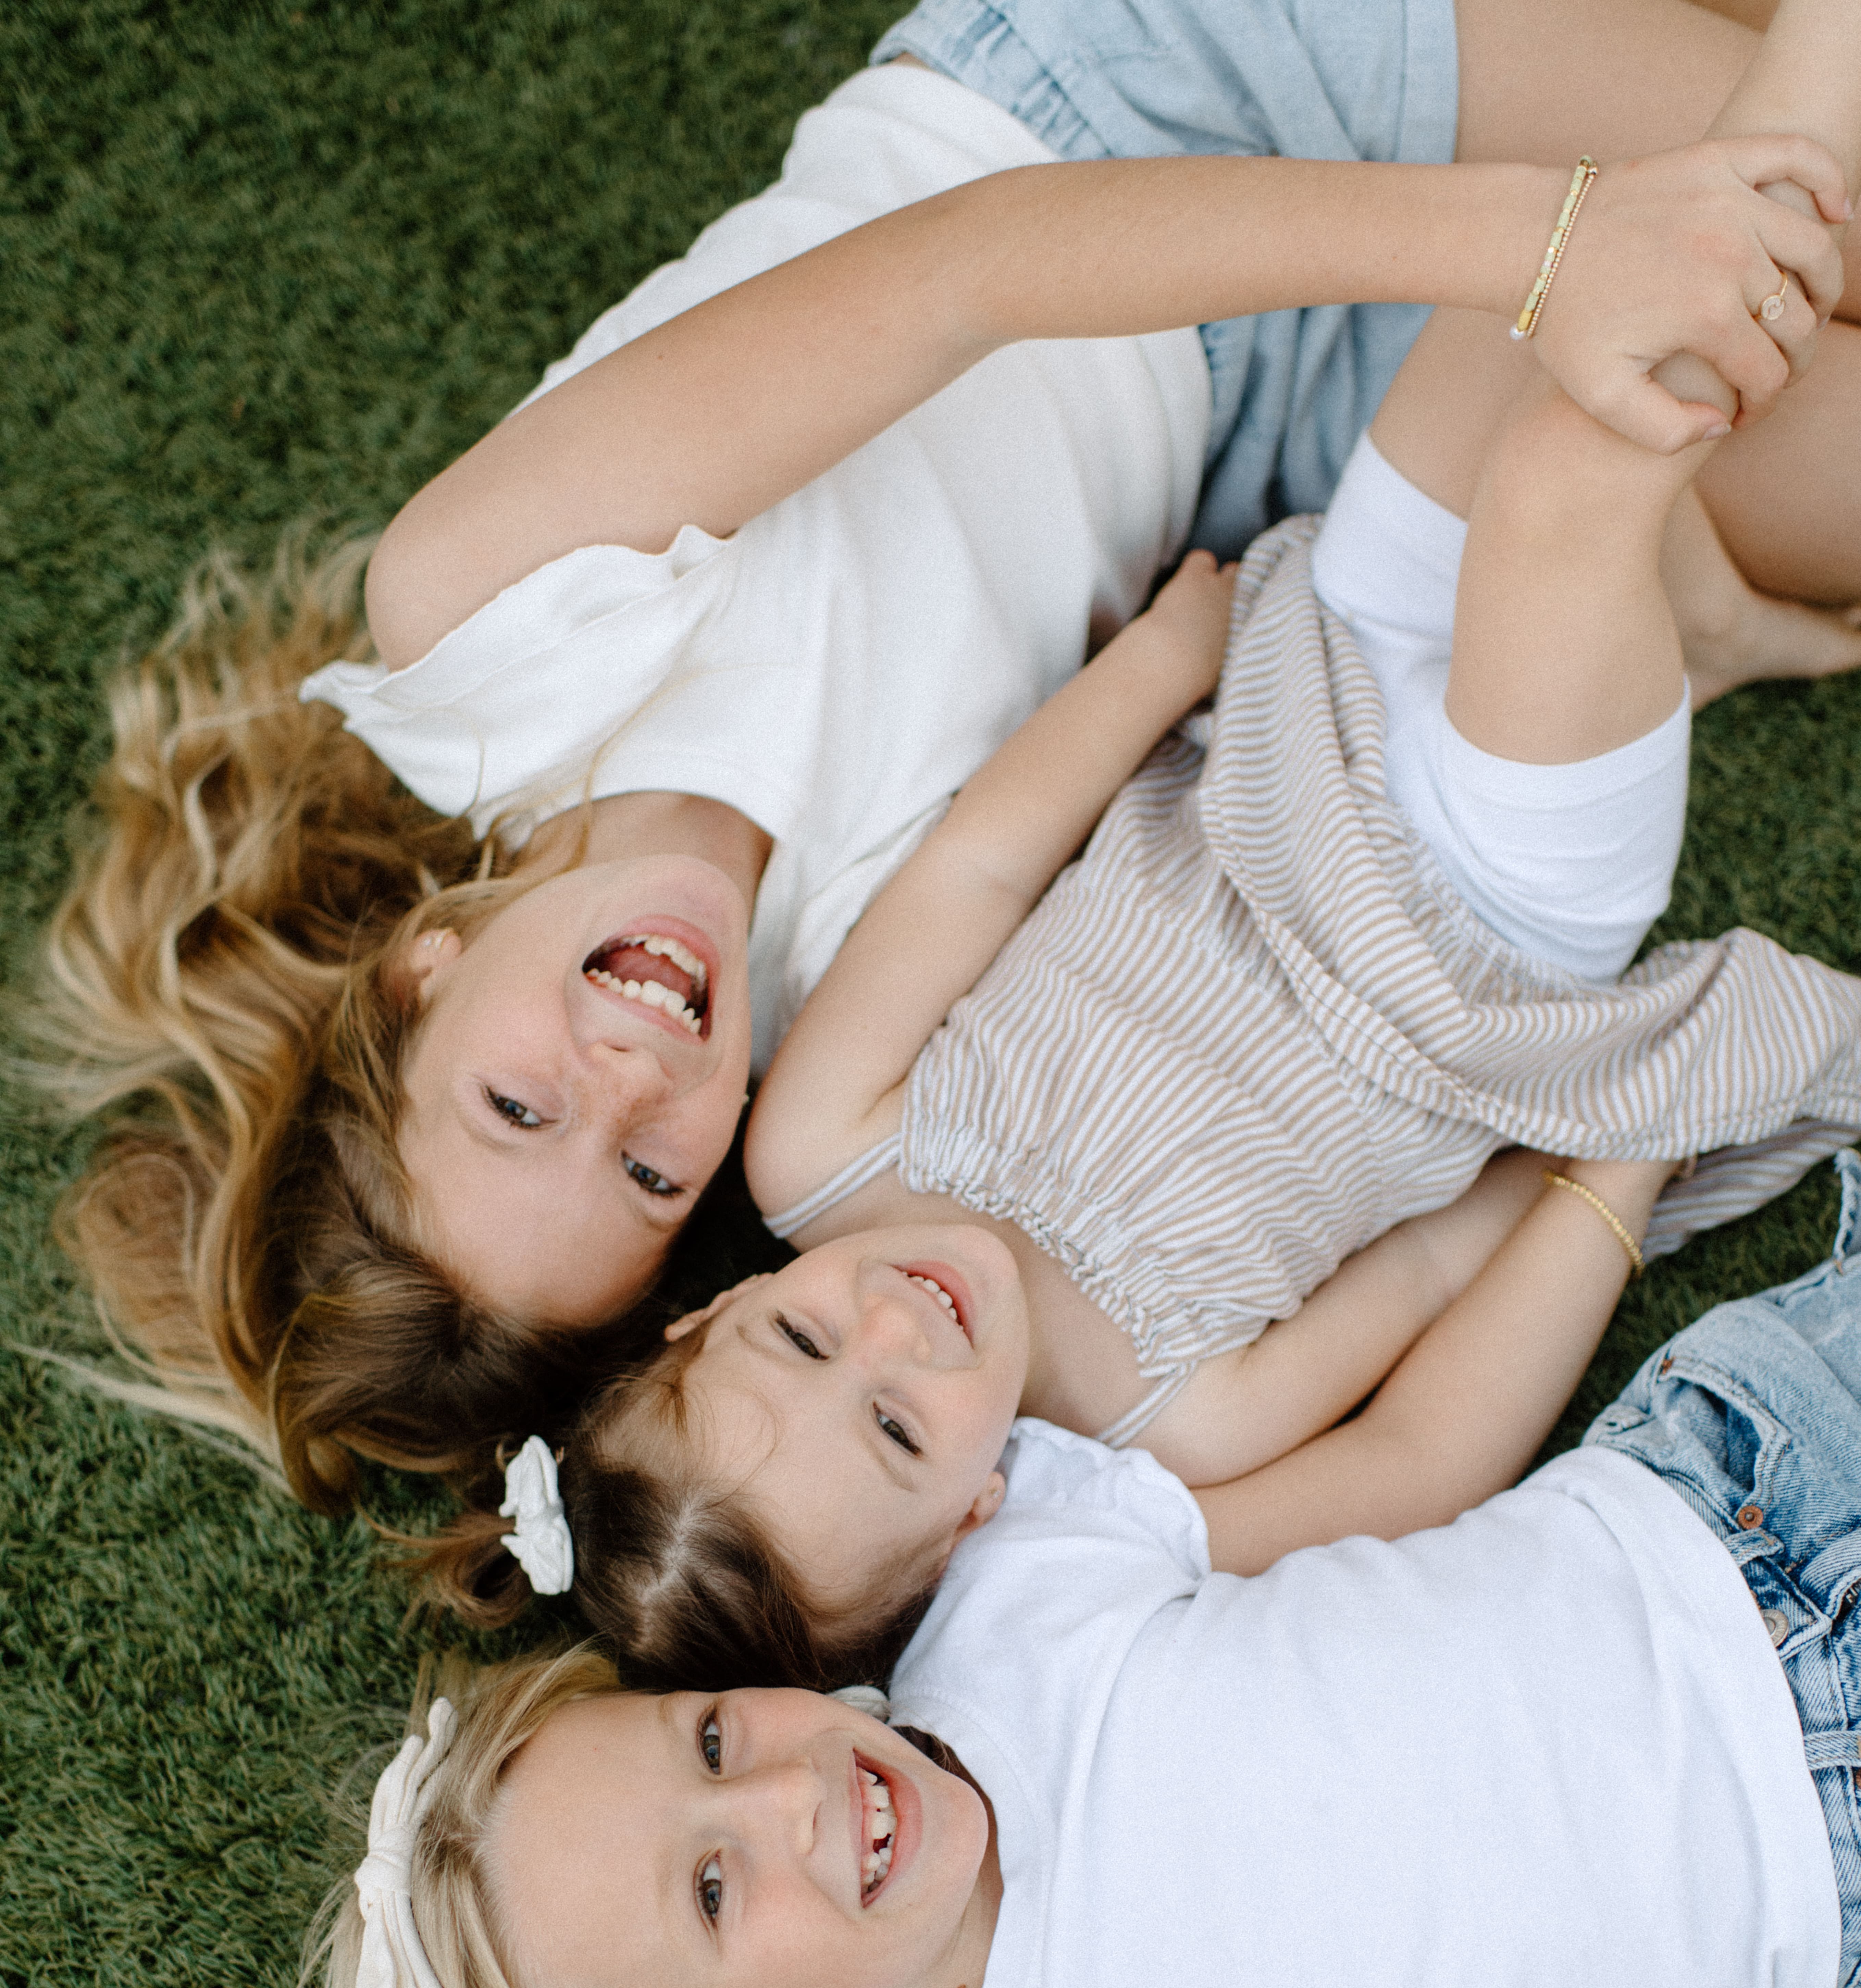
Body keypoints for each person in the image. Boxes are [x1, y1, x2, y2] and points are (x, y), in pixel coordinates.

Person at [32, 0, 1858, 1505]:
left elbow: (973, 271)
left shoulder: (485, 624)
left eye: (521, 1107)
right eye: (649, 1175)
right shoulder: (840, 1017)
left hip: (1143, 123)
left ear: (421, 970)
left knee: (1784, 193)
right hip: (1289, 454)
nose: (634, 1079)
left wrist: (1548, 243)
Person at [297, 1139, 1861, 1988]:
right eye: (712, 1891)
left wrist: (1613, 1174)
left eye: (709, 1741)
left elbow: (1414, 1465)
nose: (786, 1798)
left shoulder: (1009, 1606)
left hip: (1746, 1465)